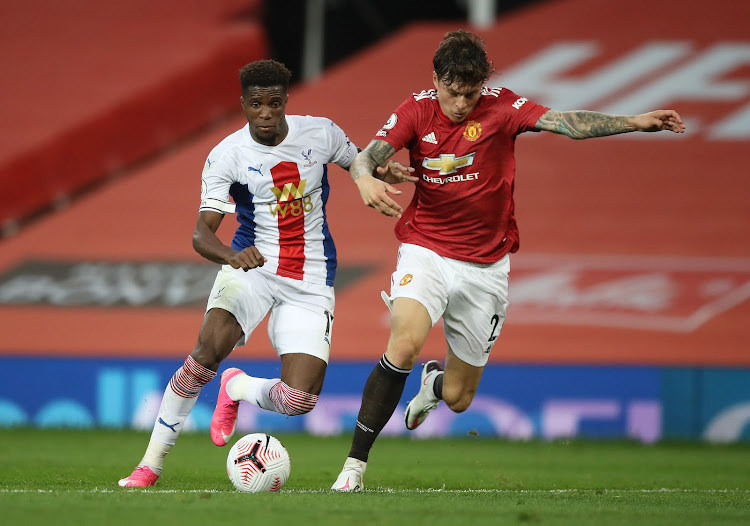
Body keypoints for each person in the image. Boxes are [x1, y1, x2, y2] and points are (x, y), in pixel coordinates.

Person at [331, 30, 685, 491]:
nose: (460, 103)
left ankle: (433, 386)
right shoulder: (415, 110)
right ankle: (354, 468)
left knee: (459, 398)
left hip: (486, 267)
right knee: (404, 343)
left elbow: (566, 122)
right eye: (452, 92)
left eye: (470, 93)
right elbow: (367, 157)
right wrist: (364, 181)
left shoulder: (503, 106)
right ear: (435, 79)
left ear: (483, 85)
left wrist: (636, 122)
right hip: (427, 249)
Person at [118, 59, 413, 487]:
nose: (266, 113)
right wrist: (229, 257)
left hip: (310, 277)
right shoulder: (227, 155)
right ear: (243, 104)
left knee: (299, 400)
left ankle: (238, 388)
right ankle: (150, 464)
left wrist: (379, 171)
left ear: (285, 101)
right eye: (256, 104)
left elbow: (358, 162)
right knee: (204, 355)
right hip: (250, 265)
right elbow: (201, 234)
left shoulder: (321, 132)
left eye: (274, 103)